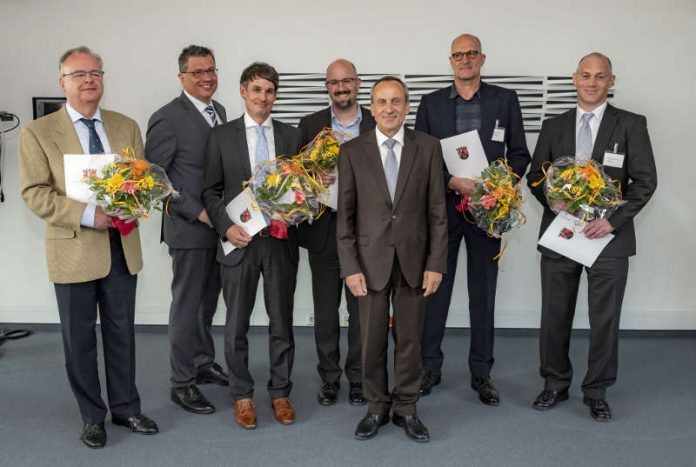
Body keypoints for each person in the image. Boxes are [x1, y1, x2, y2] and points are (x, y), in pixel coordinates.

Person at [19, 46, 158, 449]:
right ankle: (92, 417)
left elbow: (141, 181)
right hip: (74, 248)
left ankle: (127, 408)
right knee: (78, 340)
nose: (88, 79)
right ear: (62, 82)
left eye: (95, 72)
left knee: (122, 335)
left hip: (121, 248)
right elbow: (34, 193)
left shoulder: (126, 126)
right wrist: (86, 214)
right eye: (78, 74)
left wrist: (134, 200)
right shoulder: (39, 132)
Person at [527, 52, 657, 421]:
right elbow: (536, 176)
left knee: (604, 319)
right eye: (586, 75)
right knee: (554, 314)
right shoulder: (554, 125)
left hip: (609, 239)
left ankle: (596, 390)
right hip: (562, 234)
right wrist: (552, 201)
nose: (592, 82)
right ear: (574, 78)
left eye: (600, 76)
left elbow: (646, 181)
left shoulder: (631, 124)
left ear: (611, 82)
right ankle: (554, 383)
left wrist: (612, 221)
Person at [415, 33, 531, 404]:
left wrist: (497, 187)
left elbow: (519, 154)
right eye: (458, 55)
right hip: (442, 211)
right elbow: (420, 159)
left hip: (487, 212)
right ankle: (428, 367)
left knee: (483, 294)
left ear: (482, 59)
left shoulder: (504, 100)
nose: (464, 60)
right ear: (450, 61)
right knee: (434, 292)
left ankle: (481, 373)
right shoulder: (430, 104)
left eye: (471, 54)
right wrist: (450, 181)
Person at [337, 76, 447, 443]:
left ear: (407, 106)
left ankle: (406, 408)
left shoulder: (428, 148)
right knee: (370, 341)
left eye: (396, 101)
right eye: (382, 102)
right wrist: (350, 267)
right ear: (372, 107)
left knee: (410, 340)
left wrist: (436, 263)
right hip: (368, 262)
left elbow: (437, 213)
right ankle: (376, 406)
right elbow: (346, 218)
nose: (389, 108)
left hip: (415, 260)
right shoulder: (352, 151)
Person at [202, 62, 301, 430]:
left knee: (281, 322)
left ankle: (280, 391)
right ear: (243, 91)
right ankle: (242, 394)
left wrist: (296, 208)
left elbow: (301, 189)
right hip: (238, 244)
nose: (263, 97)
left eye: (270, 91)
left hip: (279, 244)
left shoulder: (291, 137)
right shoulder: (221, 136)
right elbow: (209, 191)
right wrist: (226, 227)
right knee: (236, 324)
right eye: (256, 90)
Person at [145, 45, 228, 415]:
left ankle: (202, 361)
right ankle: (182, 383)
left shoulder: (220, 112)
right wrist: (198, 213)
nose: (207, 77)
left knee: (207, 305)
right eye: (198, 72)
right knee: (186, 307)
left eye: (211, 70)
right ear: (182, 77)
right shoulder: (167, 118)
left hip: (220, 230)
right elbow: (154, 181)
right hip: (190, 229)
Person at [297, 59, 375, 407]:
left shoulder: (378, 121)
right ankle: (329, 378)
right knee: (326, 310)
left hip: (367, 231)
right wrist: (313, 179)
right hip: (324, 228)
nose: (340, 87)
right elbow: (294, 179)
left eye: (346, 81)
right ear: (327, 87)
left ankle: (359, 377)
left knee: (363, 309)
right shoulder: (310, 124)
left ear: (357, 83)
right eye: (334, 83)